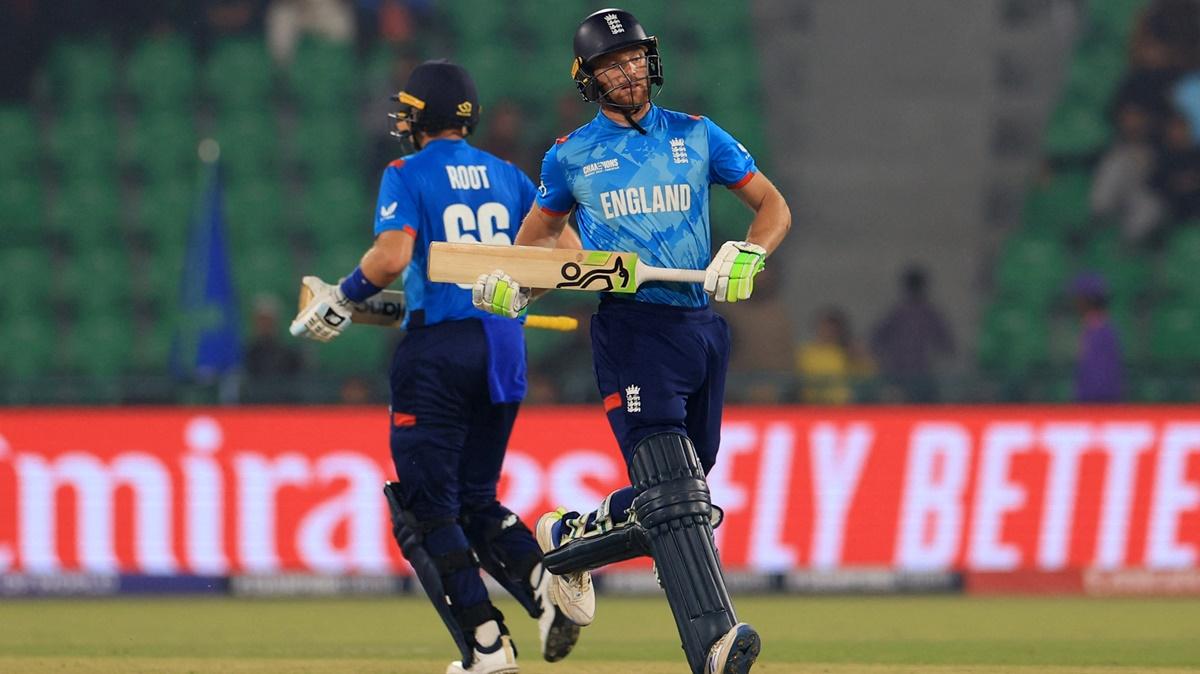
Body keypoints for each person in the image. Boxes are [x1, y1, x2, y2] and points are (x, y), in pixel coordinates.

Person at [472, 9, 791, 674]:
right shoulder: (570, 156)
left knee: (684, 487)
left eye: (636, 57)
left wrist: (751, 253)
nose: (629, 71)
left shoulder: (698, 135)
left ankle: (566, 544)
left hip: (701, 326)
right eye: (612, 64)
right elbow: (535, 251)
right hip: (632, 326)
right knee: (675, 492)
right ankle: (713, 642)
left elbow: (773, 207)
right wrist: (510, 290)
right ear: (588, 78)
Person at [289, 59, 583, 674]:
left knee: (431, 512)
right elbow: (569, 258)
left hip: (440, 352)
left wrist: (344, 296)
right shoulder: (508, 175)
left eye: (407, 108)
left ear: (423, 116)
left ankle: (486, 645)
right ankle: (547, 593)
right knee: (478, 500)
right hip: (505, 350)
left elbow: (392, 256)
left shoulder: (406, 171)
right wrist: (516, 301)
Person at [869, 265, 954, 403]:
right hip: (901, 374)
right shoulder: (902, 313)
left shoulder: (925, 314)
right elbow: (876, 339)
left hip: (920, 374)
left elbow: (946, 344)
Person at [795, 306, 874, 405]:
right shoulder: (805, 353)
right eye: (824, 326)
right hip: (813, 406)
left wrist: (862, 356)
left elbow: (868, 375)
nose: (827, 331)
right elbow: (799, 381)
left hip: (843, 407)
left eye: (831, 328)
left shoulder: (846, 353)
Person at [1069, 273, 1124, 403]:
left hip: (1099, 407)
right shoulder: (1090, 329)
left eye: (1079, 297)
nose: (1075, 302)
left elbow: (1100, 383)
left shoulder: (1102, 333)